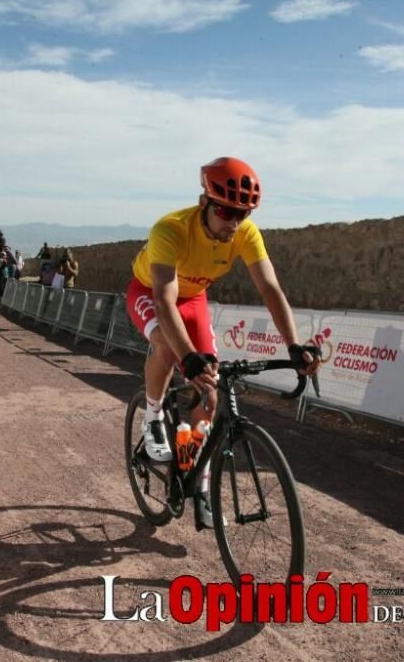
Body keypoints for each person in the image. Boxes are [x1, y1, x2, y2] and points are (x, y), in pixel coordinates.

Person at [126, 156, 321, 529]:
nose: (234, 222)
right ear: (205, 203)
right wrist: (189, 359)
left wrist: (294, 345)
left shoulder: (246, 235)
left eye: (242, 214)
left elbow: (269, 288)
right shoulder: (170, 229)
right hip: (151, 291)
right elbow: (165, 301)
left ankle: (196, 479)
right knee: (169, 347)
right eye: (227, 211)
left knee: (209, 396)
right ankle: (152, 416)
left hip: (194, 298)